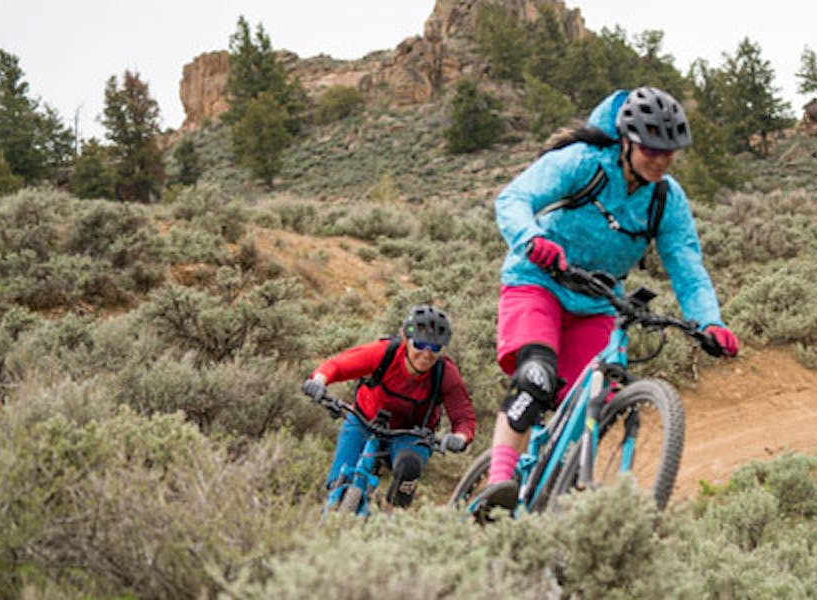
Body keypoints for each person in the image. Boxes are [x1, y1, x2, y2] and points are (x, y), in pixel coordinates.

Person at [476, 86, 740, 511]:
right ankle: (498, 486)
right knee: (536, 377)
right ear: (626, 141)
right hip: (537, 281)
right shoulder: (584, 163)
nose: (661, 159)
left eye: (669, 151)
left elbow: (687, 267)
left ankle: (555, 491)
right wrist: (532, 239)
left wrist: (709, 322)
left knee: (597, 400)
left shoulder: (666, 200)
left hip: (598, 301)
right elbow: (514, 199)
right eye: (651, 149)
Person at [303, 304, 476, 511]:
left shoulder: (445, 373)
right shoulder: (385, 352)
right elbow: (338, 365)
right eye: (420, 344)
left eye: (435, 348)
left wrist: (459, 438)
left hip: (411, 433)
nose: (426, 354)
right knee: (340, 480)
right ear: (406, 339)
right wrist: (319, 381)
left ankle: (391, 517)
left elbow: (463, 416)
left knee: (409, 467)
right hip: (363, 419)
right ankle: (333, 512)